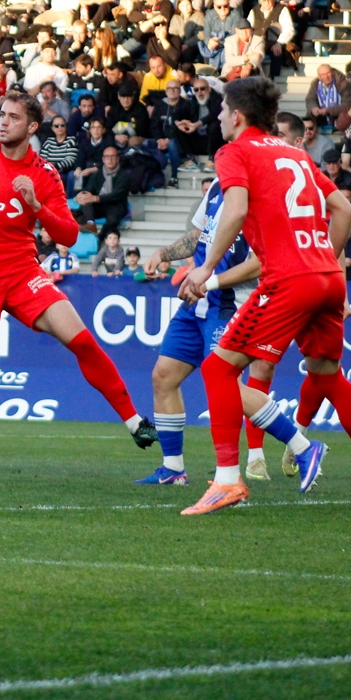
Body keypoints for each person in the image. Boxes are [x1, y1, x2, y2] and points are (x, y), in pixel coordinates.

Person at [177, 76, 351, 515]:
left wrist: (204, 268)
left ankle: (227, 480)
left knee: (218, 369)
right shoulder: (293, 153)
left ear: (237, 116)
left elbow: (236, 210)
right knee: (328, 375)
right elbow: (345, 210)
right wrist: (322, 260)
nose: (218, 117)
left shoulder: (233, 151)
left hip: (289, 280)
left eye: (222, 110)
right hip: (327, 276)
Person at [0, 91, 157, 474]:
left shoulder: (43, 175)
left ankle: (133, 420)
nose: (3, 121)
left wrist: (37, 207)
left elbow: (72, 234)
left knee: (81, 339)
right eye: (2, 114)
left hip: (22, 273)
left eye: (13, 117)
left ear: (31, 128)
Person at [136, 180, 262, 485]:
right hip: (196, 300)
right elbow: (199, 234)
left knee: (226, 386)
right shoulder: (218, 186)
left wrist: (213, 282)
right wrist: (164, 254)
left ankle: (301, 446)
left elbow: (262, 263)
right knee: (163, 376)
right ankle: (173, 469)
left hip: (229, 303)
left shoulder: (261, 190)